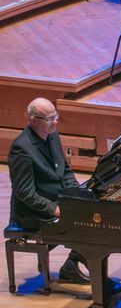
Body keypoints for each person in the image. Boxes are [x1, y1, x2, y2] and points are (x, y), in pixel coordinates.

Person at [6, 98, 93, 285]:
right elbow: (25, 193)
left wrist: (76, 193)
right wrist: (54, 209)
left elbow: (65, 171)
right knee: (85, 223)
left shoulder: (52, 135)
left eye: (56, 116)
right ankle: (81, 265)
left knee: (94, 212)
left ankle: (72, 263)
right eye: (50, 118)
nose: (55, 121)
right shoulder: (21, 148)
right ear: (33, 120)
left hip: (57, 199)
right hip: (32, 213)